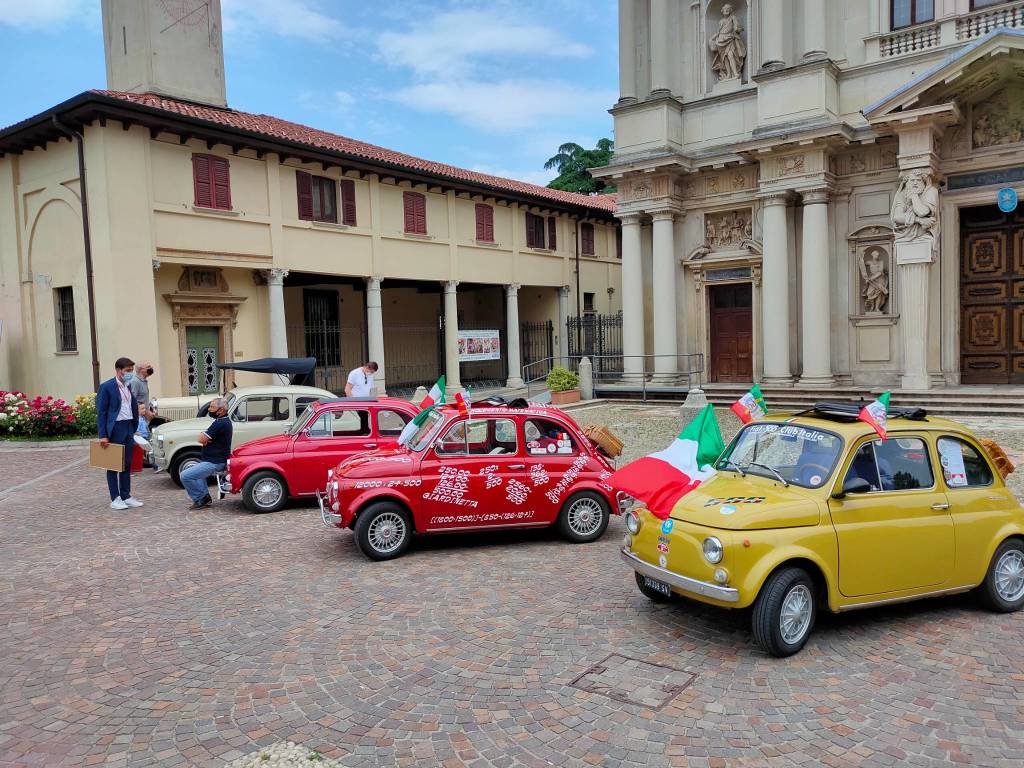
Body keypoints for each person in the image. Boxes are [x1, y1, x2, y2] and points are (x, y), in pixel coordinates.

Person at [96, 357, 143, 510]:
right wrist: (103, 435)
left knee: (127, 463)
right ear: (118, 370)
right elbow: (102, 412)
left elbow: (130, 407)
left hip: (128, 425)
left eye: (131, 370)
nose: (130, 373)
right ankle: (115, 498)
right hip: (115, 427)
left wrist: (134, 427)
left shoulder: (127, 386)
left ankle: (126, 495)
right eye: (127, 371)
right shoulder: (107, 386)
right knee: (113, 463)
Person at [179, 396, 233, 509]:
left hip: (215, 462)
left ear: (221, 410)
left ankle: (200, 499)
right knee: (195, 473)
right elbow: (204, 439)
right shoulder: (221, 421)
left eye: (212, 407)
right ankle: (204, 497)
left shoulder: (220, 424)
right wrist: (205, 438)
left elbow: (201, 439)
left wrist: (205, 437)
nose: (209, 409)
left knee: (185, 476)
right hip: (212, 460)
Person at [128, 360, 155, 439]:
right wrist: (146, 413)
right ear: (141, 370)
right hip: (139, 419)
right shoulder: (135, 382)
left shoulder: (143, 381)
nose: (151, 368)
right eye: (148, 367)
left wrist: (149, 410)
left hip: (144, 417)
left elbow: (142, 399)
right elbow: (132, 400)